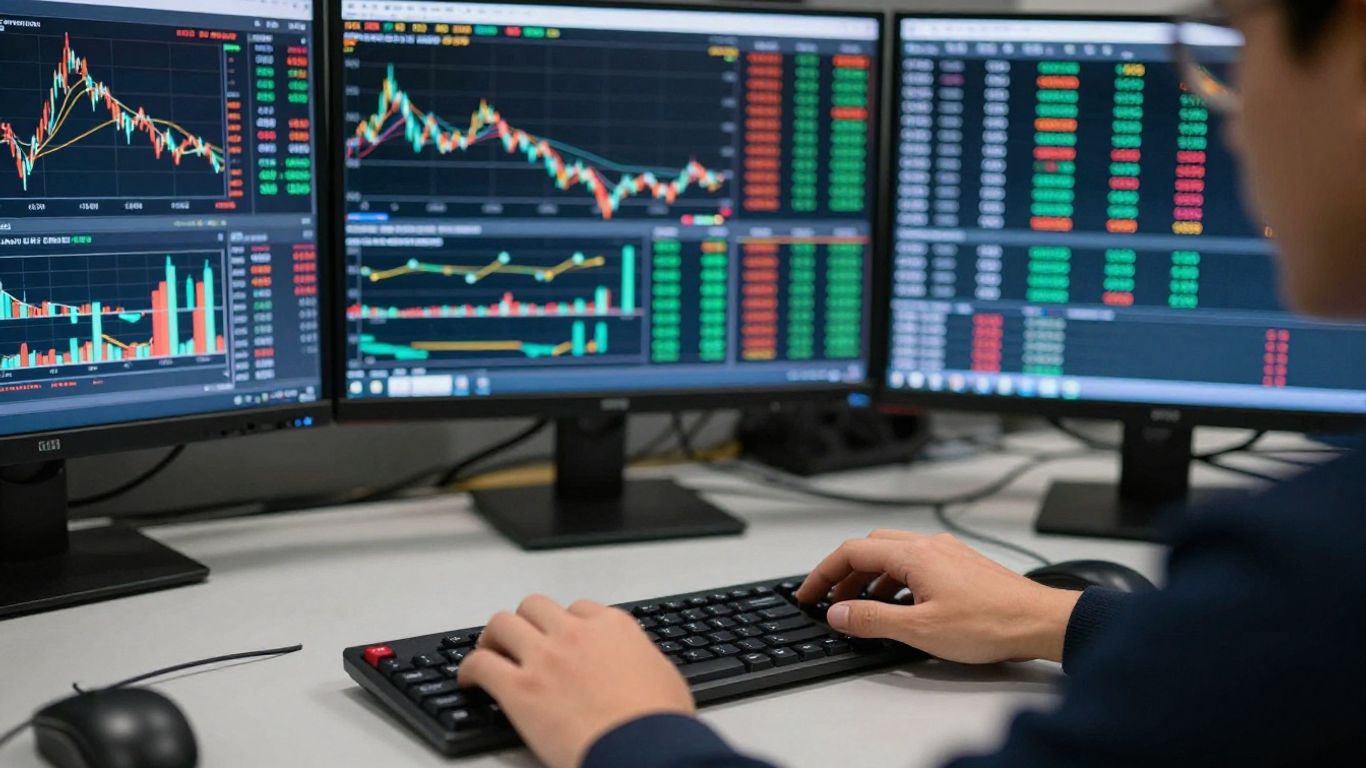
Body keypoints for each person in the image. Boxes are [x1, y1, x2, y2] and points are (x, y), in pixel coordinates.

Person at [457, 1, 1366, 766]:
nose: (1235, 115)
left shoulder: (1316, 566)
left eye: (1239, 55)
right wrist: (1057, 617)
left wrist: (627, 729)